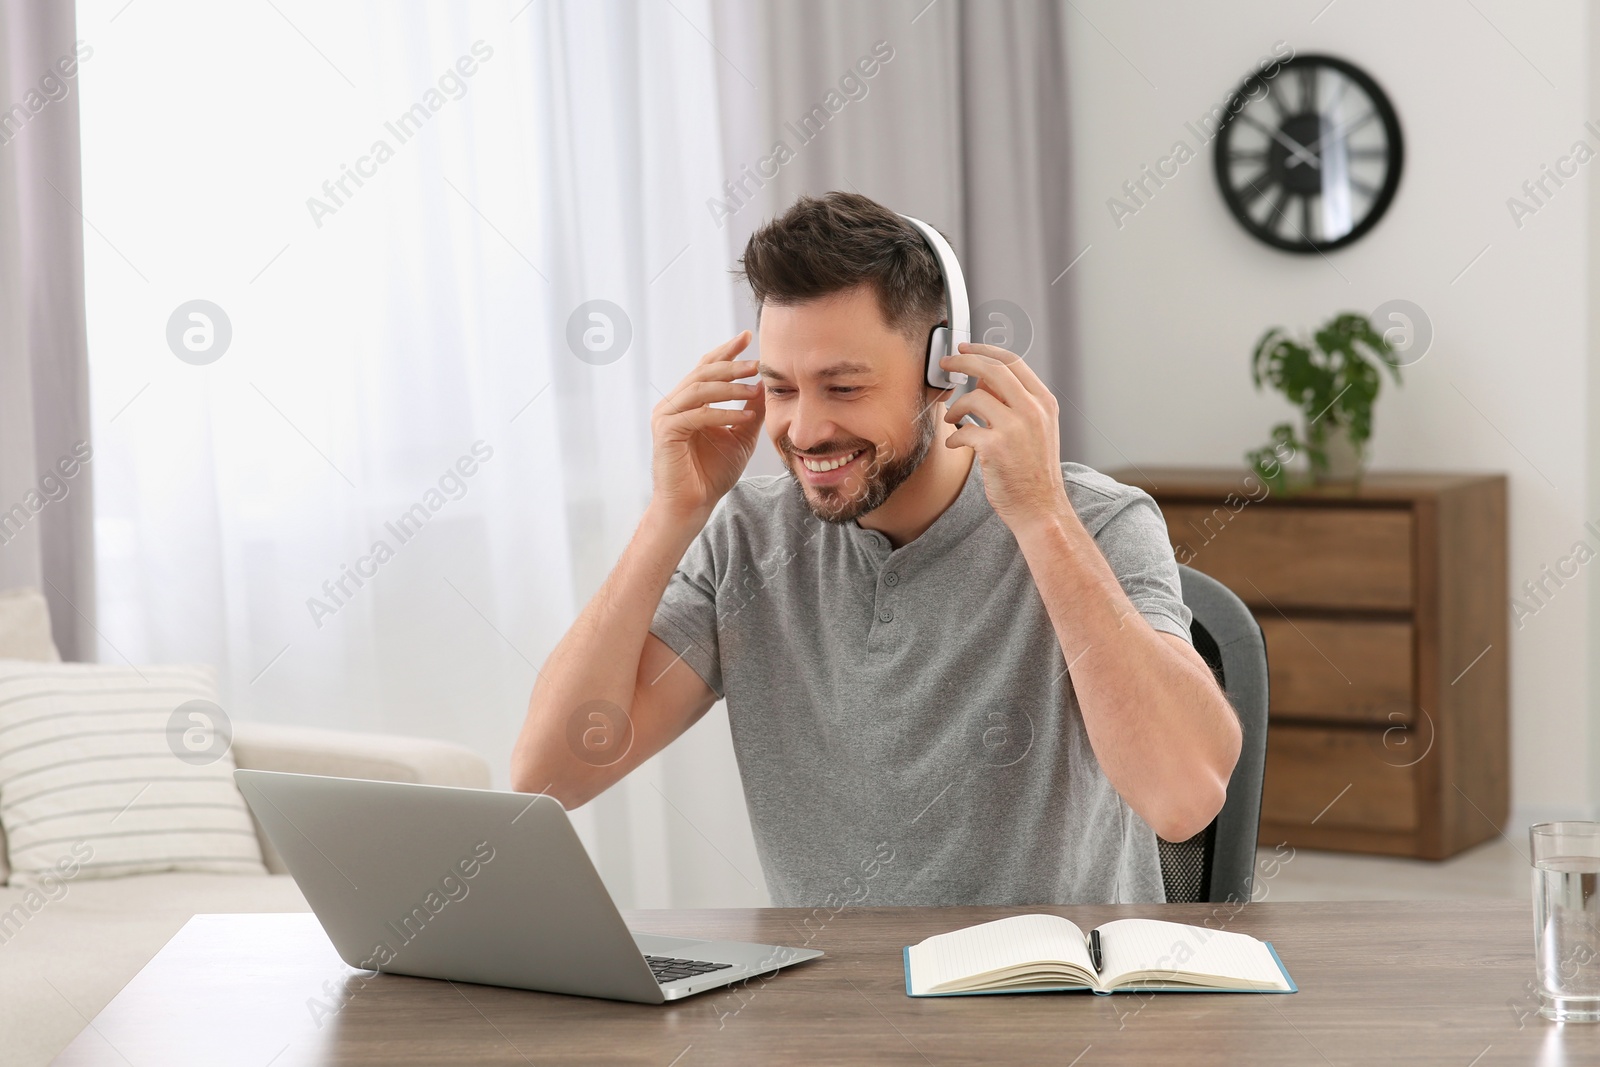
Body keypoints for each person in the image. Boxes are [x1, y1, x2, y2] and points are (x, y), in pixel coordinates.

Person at [512, 191, 1241, 906]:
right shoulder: (748, 539)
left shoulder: (1094, 521)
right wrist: (673, 513)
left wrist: (1043, 519)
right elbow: (550, 775)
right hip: (829, 1011)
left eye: (844, 387)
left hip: (1046, 1008)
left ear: (942, 370)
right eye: (782, 389)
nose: (803, 431)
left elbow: (1184, 799)